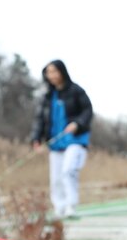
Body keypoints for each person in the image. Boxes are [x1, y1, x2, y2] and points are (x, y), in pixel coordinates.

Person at [30, 59, 92, 218]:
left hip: (75, 140)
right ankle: (59, 207)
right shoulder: (47, 97)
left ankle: (71, 205)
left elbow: (87, 111)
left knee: (68, 170)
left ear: (62, 71)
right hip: (55, 143)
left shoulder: (76, 91)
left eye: (54, 71)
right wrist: (36, 138)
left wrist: (77, 124)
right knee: (55, 177)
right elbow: (40, 120)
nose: (51, 75)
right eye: (48, 72)